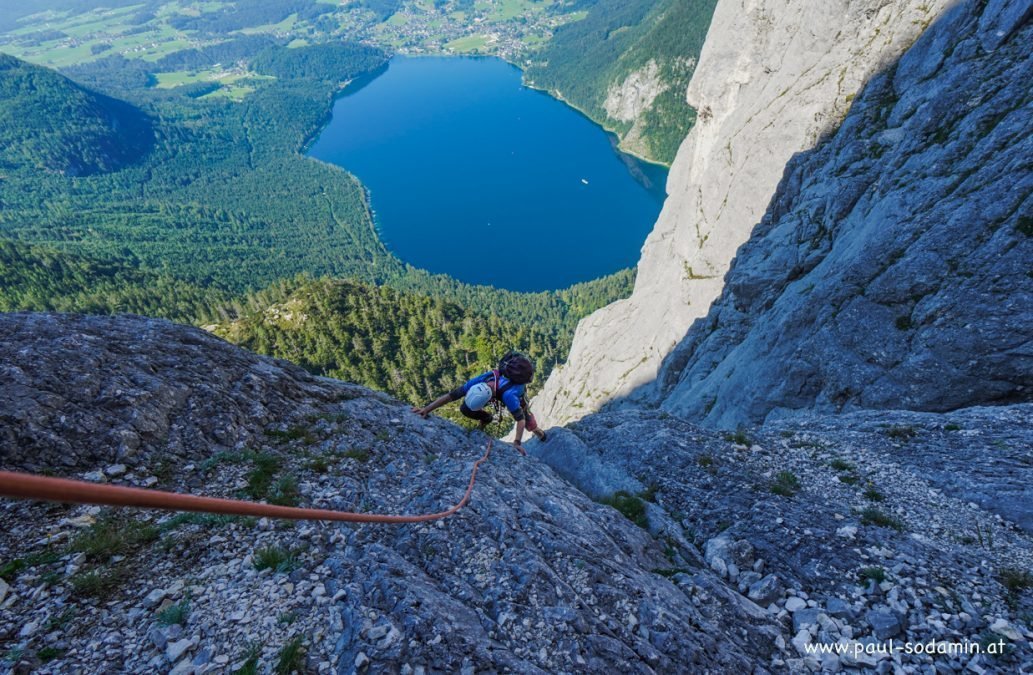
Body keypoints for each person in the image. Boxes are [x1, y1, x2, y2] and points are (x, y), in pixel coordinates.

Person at [411, 352, 547, 455]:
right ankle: (486, 418)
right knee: (465, 409)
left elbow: (520, 420)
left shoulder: (510, 395)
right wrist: (426, 409)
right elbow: (451, 395)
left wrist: (517, 442)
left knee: (527, 418)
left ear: (489, 397)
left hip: (514, 392)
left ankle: (538, 432)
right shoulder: (480, 380)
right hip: (498, 390)